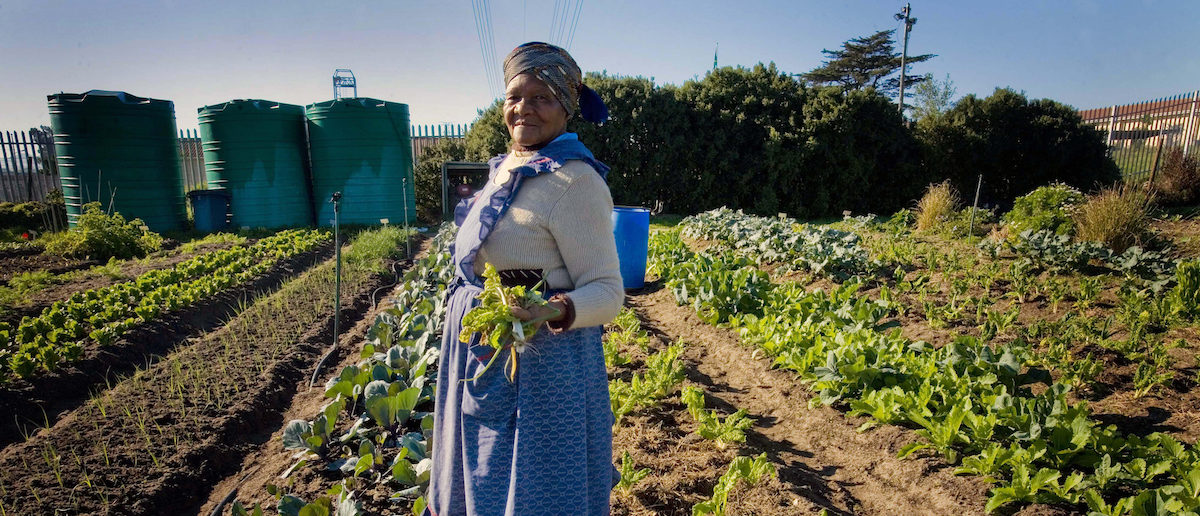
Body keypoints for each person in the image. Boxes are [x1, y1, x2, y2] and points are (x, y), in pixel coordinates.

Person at [425, 41, 624, 516]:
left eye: (542, 98)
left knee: (536, 487)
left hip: (542, 368)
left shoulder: (575, 182)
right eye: (515, 96)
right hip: (482, 352)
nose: (524, 109)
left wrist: (552, 309)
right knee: (479, 471)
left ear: (566, 106)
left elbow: (608, 290)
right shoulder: (505, 169)